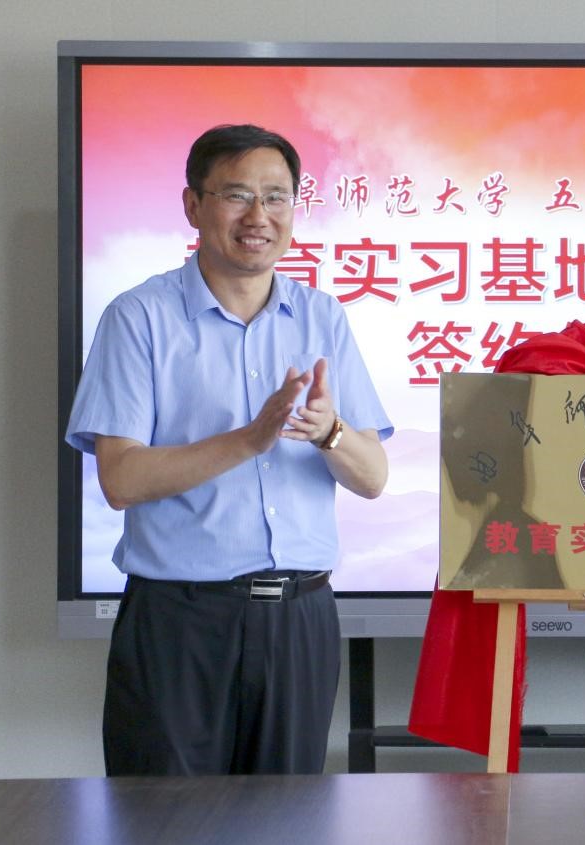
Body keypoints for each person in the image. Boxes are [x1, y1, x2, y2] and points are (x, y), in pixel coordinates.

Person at [65, 124, 392, 775]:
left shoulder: (322, 316)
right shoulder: (139, 317)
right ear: (193, 205)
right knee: (165, 817)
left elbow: (374, 476)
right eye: (237, 195)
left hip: (301, 618)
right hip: (179, 621)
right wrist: (249, 438)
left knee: (288, 818)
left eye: (277, 197)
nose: (258, 216)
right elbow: (121, 479)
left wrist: (328, 431)